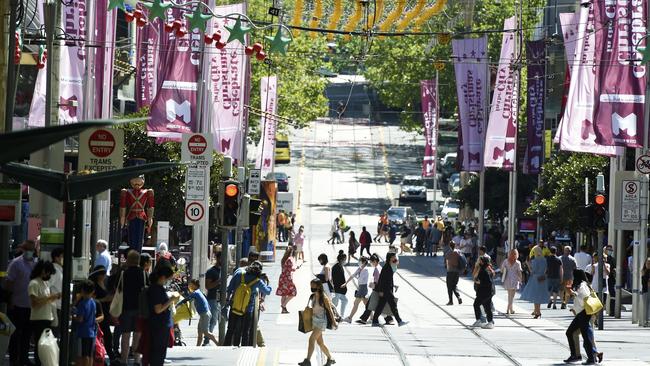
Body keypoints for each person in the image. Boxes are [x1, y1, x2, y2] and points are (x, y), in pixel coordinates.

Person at [224, 261, 272, 346]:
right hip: (248, 309)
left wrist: (227, 301)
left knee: (231, 329)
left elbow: (229, 288)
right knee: (246, 331)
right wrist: (267, 282)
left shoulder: (239, 274)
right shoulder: (258, 281)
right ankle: (244, 348)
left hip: (235, 306)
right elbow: (268, 291)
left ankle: (226, 347)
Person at [5, 240, 37, 366]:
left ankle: (24, 358)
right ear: (23, 249)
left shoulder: (35, 263)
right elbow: (9, 283)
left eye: (32, 249)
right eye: (28, 249)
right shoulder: (16, 263)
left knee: (27, 335)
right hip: (17, 305)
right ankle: (14, 359)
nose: (30, 251)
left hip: (30, 305)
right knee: (15, 334)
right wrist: (10, 300)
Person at [298, 279, 337, 366]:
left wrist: (334, 322)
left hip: (321, 322)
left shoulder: (324, 298)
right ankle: (330, 358)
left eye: (313, 286)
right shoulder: (313, 296)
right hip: (315, 321)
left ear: (319, 286)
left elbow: (330, 310)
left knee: (311, 339)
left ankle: (307, 361)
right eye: (311, 286)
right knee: (320, 343)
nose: (311, 288)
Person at [563, 269, 598, 365]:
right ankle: (576, 355)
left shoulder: (582, 285)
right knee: (570, 332)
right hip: (581, 313)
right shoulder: (583, 284)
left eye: (574, 276)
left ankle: (591, 358)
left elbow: (584, 298)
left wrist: (573, 293)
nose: (573, 278)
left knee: (585, 336)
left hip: (584, 313)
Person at [147, 265, 179, 366]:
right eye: (168, 279)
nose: (168, 281)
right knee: (158, 353)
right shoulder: (156, 289)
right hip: (159, 325)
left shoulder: (158, 288)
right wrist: (171, 300)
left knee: (159, 353)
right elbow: (158, 309)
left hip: (160, 325)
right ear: (163, 277)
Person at [118, 250, 146, 365]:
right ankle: (137, 360)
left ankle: (123, 360)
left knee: (125, 335)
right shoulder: (143, 273)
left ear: (128, 260)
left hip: (126, 307)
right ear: (138, 260)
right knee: (138, 334)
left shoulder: (124, 273)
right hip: (140, 308)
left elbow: (118, 289)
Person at [28, 261, 59, 366]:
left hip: (46, 318)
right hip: (38, 319)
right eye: (48, 273)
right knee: (40, 346)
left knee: (45, 345)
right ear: (42, 271)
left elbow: (46, 300)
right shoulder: (34, 283)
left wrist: (52, 298)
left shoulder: (45, 283)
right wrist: (50, 297)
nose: (49, 275)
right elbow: (34, 303)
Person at [355, 254, 393, 325]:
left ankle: (365, 319)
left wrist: (373, 284)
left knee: (372, 305)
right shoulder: (379, 267)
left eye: (371, 262)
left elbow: (379, 280)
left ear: (375, 261)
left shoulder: (377, 269)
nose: (370, 264)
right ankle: (388, 318)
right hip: (378, 288)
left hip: (377, 289)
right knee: (372, 305)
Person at [372, 252, 407, 327]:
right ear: (390, 258)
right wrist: (381, 290)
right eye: (394, 257)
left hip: (387, 289)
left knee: (380, 306)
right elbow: (381, 280)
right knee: (393, 305)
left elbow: (396, 265)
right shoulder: (386, 267)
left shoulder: (389, 266)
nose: (395, 258)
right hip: (386, 290)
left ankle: (374, 320)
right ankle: (399, 321)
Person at [89, 265, 115, 360]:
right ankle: (109, 354)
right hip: (98, 311)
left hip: (106, 311)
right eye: (102, 274)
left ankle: (107, 353)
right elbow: (92, 299)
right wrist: (104, 299)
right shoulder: (94, 285)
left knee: (106, 334)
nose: (104, 276)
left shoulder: (106, 282)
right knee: (105, 334)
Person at [184, 279, 219, 346]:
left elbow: (186, 299)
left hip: (205, 315)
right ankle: (197, 348)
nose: (189, 286)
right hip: (204, 314)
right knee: (200, 333)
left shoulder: (196, 293)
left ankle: (218, 344)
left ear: (194, 285)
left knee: (206, 332)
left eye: (190, 285)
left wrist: (177, 305)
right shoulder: (198, 292)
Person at [72, 280, 97, 366]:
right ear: (93, 291)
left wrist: (73, 317)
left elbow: (80, 319)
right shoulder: (93, 302)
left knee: (82, 355)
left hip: (83, 332)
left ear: (82, 290)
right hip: (91, 332)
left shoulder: (82, 304)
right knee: (89, 355)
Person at [521, 247, 549, 318]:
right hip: (542, 278)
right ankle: (538, 311)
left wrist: (528, 264)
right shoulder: (545, 260)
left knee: (535, 295)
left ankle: (537, 312)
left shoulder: (535, 260)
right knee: (539, 295)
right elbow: (546, 269)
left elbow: (532, 271)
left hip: (535, 279)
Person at [342, 256, 370, 323]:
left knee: (356, 303)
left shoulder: (365, 270)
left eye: (360, 261)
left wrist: (357, 275)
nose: (358, 262)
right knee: (367, 304)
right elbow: (353, 275)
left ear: (363, 262)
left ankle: (350, 318)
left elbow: (360, 279)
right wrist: (346, 283)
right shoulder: (360, 269)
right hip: (361, 287)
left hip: (363, 287)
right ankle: (371, 318)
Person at [472, 257, 495, 329]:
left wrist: (478, 282)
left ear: (482, 262)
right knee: (487, 306)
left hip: (484, 291)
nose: (478, 262)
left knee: (476, 304)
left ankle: (479, 320)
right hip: (488, 291)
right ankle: (490, 322)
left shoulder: (484, 269)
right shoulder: (488, 268)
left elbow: (487, 281)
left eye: (480, 261)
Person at [204, 251, 221, 344]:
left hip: (220, 299)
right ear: (217, 258)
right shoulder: (211, 271)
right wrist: (218, 281)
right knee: (212, 320)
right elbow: (208, 286)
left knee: (218, 320)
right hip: (212, 299)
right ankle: (206, 340)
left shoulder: (223, 270)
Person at [276, 247, 298, 314]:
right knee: (293, 293)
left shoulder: (283, 259)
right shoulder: (290, 259)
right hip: (287, 278)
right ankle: (283, 305)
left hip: (282, 278)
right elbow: (289, 270)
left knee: (284, 294)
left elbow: (285, 269)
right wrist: (295, 268)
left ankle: (283, 309)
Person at [501, 249, 522, 315]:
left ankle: (510, 309)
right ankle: (508, 308)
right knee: (512, 296)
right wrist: (521, 279)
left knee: (510, 295)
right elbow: (519, 272)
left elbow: (502, 270)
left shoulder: (506, 261)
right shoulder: (518, 262)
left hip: (507, 279)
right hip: (515, 279)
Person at [50, 247, 64, 336]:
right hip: (56, 306)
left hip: (59, 305)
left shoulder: (59, 269)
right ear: (56, 257)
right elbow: (47, 287)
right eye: (63, 256)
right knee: (55, 333)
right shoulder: (54, 270)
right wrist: (57, 295)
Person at [331, 251, 348, 317]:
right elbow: (335, 279)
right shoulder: (336, 267)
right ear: (341, 260)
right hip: (337, 289)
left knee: (345, 300)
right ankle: (332, 316)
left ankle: (341, 315)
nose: (345, 261)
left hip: (340, 289)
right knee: (334, 304)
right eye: (345, 259)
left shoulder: (340, 266)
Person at [642, 257, 650, 325]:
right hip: (645, 290)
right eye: (647, 262)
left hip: (647, 290)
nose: (648, 264)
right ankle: (646, 321)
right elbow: (644, 282)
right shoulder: (644, 271)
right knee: (646, 306)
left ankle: (648, 320)